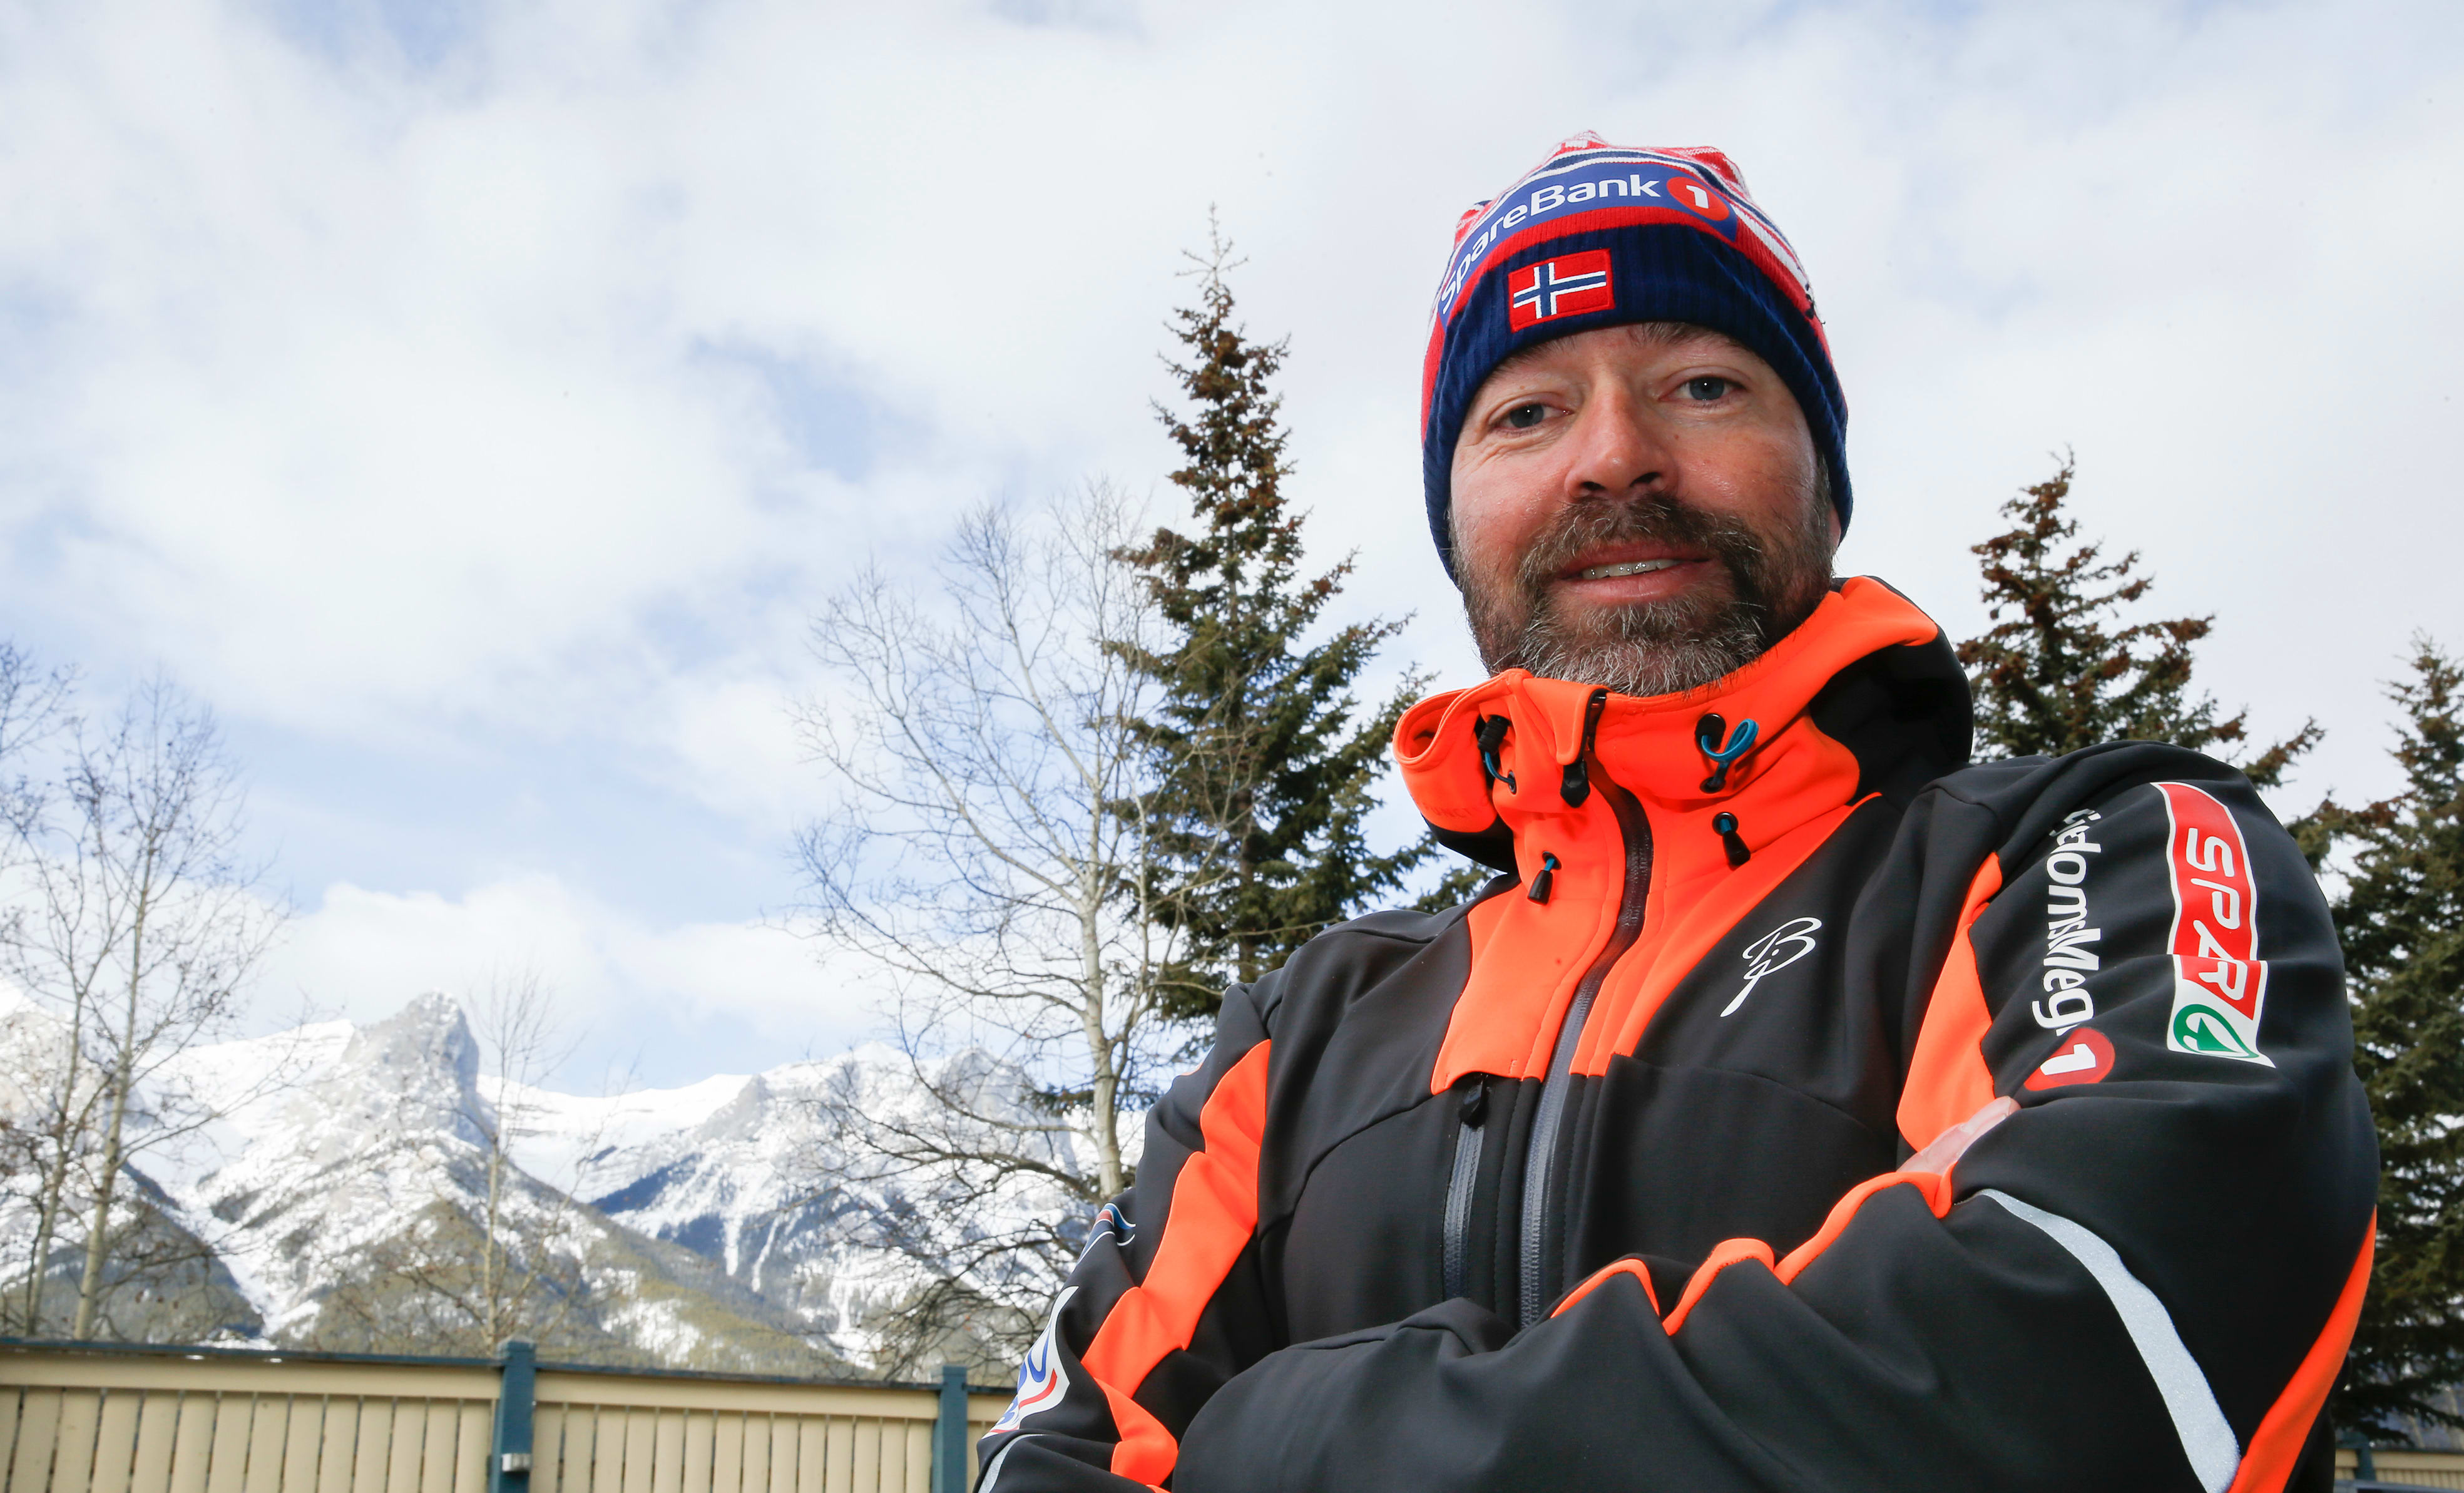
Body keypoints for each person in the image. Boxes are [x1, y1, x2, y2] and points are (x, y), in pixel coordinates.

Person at [973, 133, 2376, 1493]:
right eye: (1526, 412)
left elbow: (2102, 1347)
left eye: (1702, 385)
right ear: (1454, 518)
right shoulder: (1298, 1037)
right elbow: (1056, 1460)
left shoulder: (2094, 853)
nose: (1613, 457)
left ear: (1821, 478)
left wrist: (1290, 1438)